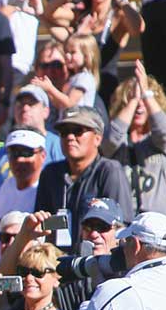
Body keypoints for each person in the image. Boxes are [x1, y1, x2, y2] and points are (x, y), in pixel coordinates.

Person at [34, 106, 134, 250]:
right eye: (64, 132)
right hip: (57, 264)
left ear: (97, 138)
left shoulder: (109, 171)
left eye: (78, 131)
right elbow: (43, 227)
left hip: (96, 264)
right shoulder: (51, 174)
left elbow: (122, 228)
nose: (70, 137)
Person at [102, 63, 166, 216]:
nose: (140, 106)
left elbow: (164, 132)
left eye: (145, 100)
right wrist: (134, 99)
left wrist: (146, 94)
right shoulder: (119, 141)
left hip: (156, 223)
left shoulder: (156, 141)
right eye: (132, 100)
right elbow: (110, 141)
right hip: (122, 223)